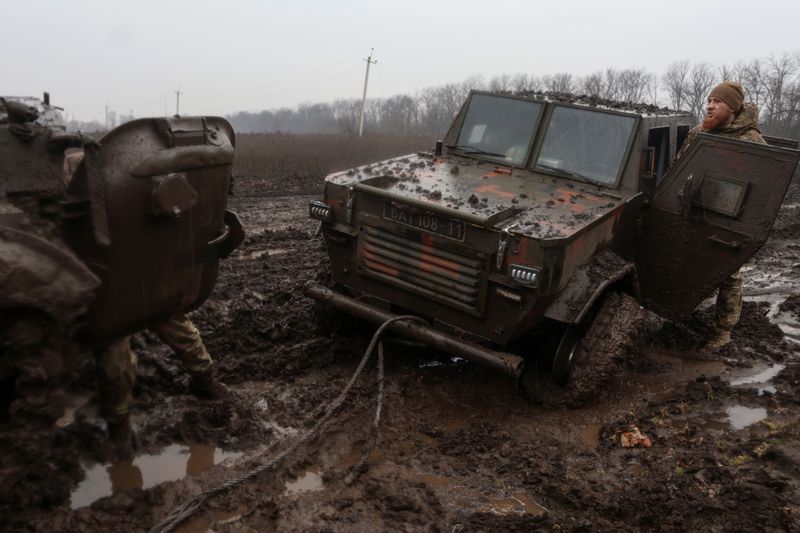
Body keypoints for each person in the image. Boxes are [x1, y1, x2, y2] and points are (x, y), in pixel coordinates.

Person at [675, 81, 766, 352]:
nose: (710, 105)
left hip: (730, 216)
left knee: (728, 272)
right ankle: (678, 310)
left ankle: (722, 331)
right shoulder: (698, 133)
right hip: (694, 207)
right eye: (709, 100)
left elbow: (761, 186)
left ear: (732, 108)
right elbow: (679, 167)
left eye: (717, 101)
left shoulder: (751, 140)